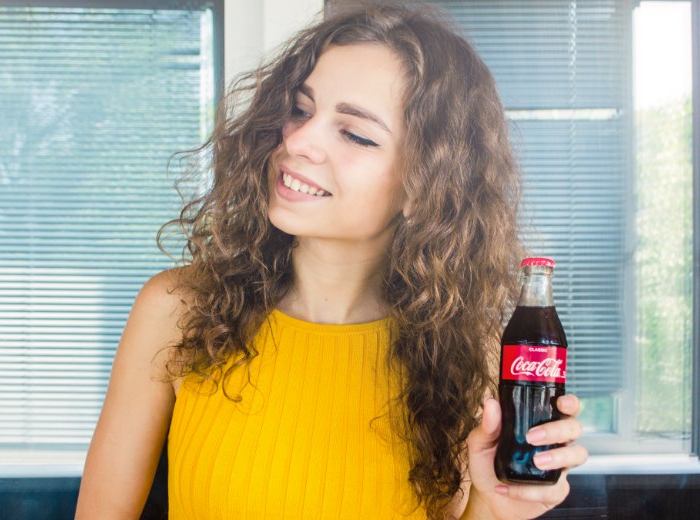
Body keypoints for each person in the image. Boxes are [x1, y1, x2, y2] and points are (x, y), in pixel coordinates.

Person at [75, 2, 587, 519]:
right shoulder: (177, 309)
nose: (297, 141)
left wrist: (498, 508)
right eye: (300, 109)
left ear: (424, 185)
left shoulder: (468, 358)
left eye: (355, 134)